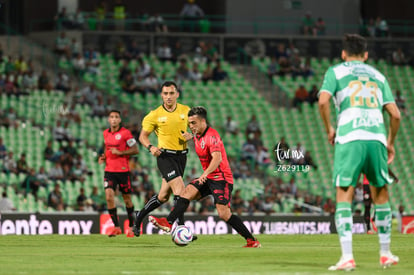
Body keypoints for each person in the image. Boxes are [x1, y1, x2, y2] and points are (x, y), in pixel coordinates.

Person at [318, 34, 401, 270]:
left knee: (344, 195)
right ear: (366, 55)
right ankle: (385, 254)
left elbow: (323, 101)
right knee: (381, 195)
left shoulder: (336, 72)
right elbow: (395, 115)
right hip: (376, 137)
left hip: (350, 136)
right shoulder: (378, 75)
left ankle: (347, 257)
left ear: (343, 53)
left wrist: (329, 129)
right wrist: (390, 142)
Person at [149, 106, 261, 247]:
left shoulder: (212, 136)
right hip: (209, 177)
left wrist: (205, 174)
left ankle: (252, 240)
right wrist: (191, 136)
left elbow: (217, 158)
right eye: (189, 123)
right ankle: (168, 222)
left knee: (224, 213)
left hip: (221, 178)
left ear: (203, 121)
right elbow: (196, 137)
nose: (191, 126)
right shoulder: (198, 134)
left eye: (194, 123)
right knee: (186, 193)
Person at [132, 81, 191, 237]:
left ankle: (138, 217)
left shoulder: (186, 111)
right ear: (161, 95)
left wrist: (193, 135)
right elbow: (142, 137)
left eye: (171, 93)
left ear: (177, 94)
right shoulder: (155, 115)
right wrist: (151, 147)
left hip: (181, 157)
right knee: (181, 191)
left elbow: (198, 130)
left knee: (163, 196)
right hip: (165, 157)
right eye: (165, 94)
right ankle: (181, 229)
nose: (168, 97)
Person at [98, 110, 139, 237]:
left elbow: (135, 150)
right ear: (109, 120)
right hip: (109, 171)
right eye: (111, 117)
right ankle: (116, 227)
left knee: (127, 200)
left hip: (123, 171)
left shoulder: (125, 133)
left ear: (120, 120)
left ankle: (132, 227)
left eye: (116, 117)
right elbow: (107, 147)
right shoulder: (105, 133)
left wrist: (121, 153)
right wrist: (104, 156)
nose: (114, 119)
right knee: (109, 197)